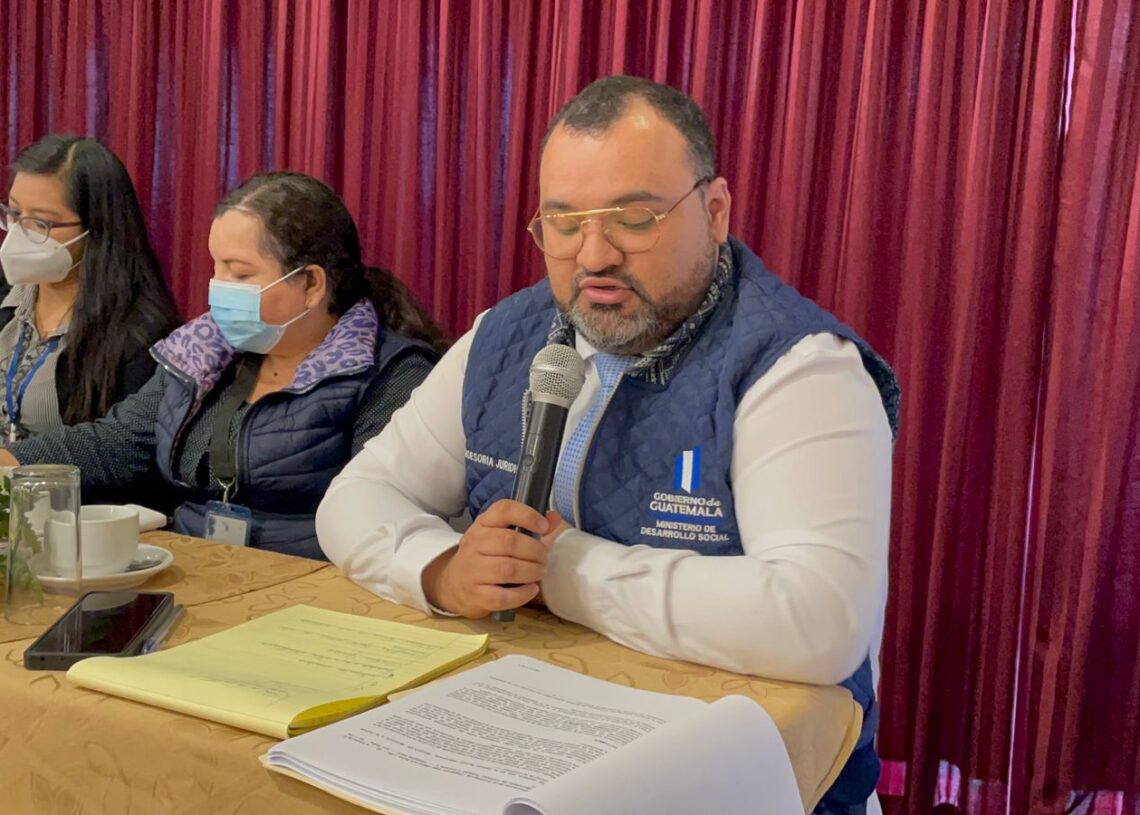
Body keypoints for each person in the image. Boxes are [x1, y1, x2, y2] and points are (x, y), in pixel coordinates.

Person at [316, 77, 898, 814]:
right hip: (520, 750)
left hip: (736, 782)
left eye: (634, 218)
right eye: (563, 224)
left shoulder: (798, 366)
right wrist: (438, 569)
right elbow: (357, 497)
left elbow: (819, 620)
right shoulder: (505, 337)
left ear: (714, 211)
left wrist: (562, 568)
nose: (593, 256)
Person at [0, 171, 446, 559]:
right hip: (197, 573)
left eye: (240, 273)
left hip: (316, 588)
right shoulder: (202, 351)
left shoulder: (391, 374)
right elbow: (116, 444)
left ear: (311, 283)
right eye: (217, 267)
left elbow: (380, 518)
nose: (218, 287)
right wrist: (13, 463)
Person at [0, 134, 180, 442]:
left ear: (96, 227)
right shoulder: (7, 295)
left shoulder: (139, 335)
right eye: (14, 215)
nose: (18, 234)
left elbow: (125, 451)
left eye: (40, 223)